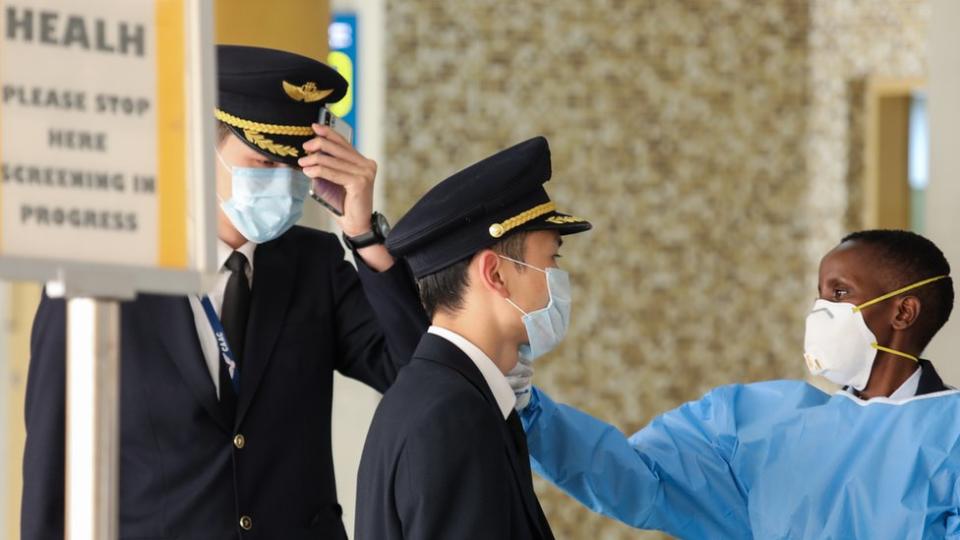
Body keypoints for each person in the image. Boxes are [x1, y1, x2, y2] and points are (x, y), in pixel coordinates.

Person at [22, 45, 428, 540]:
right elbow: (50, 458)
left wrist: (364, 234)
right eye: (261, 161)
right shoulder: (99, 270)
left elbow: (418, 375)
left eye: (294, 167)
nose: (282, 182)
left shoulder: (314, 264)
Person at [509, 229, 957, 538]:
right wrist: (527, 409)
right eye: (820, 294)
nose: (821, 311)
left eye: (840, 294)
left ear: (903, 312)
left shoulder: (949, 435)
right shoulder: (756, 422)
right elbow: (637, 477)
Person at [354, 136, 591, 539]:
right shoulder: (452, 417)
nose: (559, 279)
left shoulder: (446, 397)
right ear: (495, 274)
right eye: (552, 258)